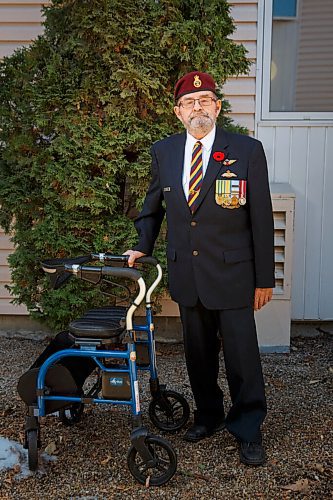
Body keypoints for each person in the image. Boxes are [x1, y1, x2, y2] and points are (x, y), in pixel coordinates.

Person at [124, 71, 275, 466]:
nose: (198, 107)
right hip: (188, 276)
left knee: (242, 356)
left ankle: (248, 427)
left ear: (217, 107)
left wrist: (264, 278)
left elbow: (260, 218)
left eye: (205, 99)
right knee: (199, 354)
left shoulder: (246, 150)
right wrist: (142, 246)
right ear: (178, 112)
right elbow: (152, 208)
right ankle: (209, 414)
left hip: (234, 274)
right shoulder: (165, 151)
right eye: (190, 103)